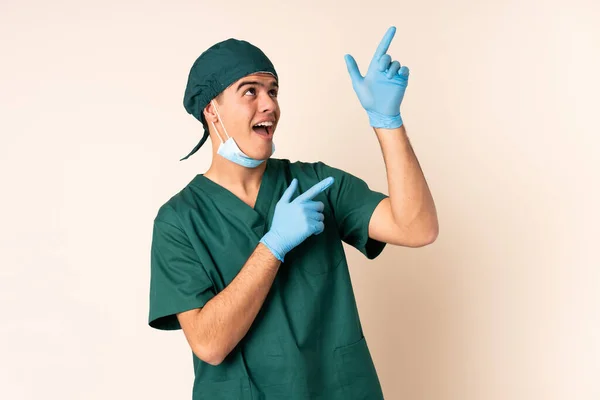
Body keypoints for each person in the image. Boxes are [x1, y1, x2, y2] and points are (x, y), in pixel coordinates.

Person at [148, 26, 438, 399]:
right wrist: (272, 247)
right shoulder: (179, 220)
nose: (269, 104)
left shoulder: (317, 184)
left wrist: (388, 122)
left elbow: (417, 228)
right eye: (250, 91)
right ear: (211, 109)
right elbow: (209, 343)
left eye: (272, 91)